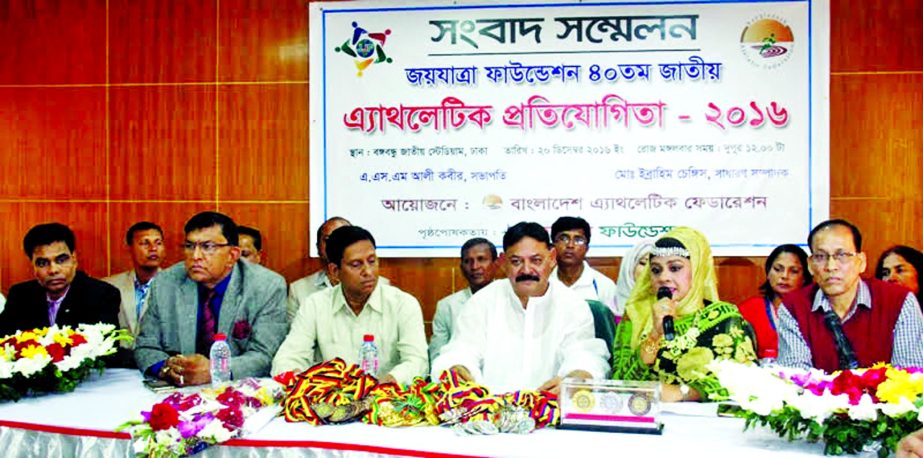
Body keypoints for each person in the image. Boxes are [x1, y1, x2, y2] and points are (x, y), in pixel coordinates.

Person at [431, 222, 609, 394]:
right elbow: (461, 349)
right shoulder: (482, 301)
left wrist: (576, 378)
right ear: (503, 262)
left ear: (552, 258)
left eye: (536, 260)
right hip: (489, 413)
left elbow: (585, 355)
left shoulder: (572, 304)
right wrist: (458, 368)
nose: (527, 270)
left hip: (551, 412)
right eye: (516, 262)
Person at [134, 212, 288, 386]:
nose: (196, 256)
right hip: (178, 389)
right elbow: (145, 345)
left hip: (238, 389)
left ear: (233, 255)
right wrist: (167, 368)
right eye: (190, 246)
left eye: (207, 247)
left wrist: (215, 370)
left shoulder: (266, 286)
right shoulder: (166, 283)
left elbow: (266, 355)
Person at [611, 227, 757, 402]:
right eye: (656, 270)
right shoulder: (636, 315)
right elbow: (618, 385)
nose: (663, 277)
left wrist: (684, 393)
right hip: (645, 417)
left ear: (697, 270)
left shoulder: (724, 318)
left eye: (675, 268)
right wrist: (654, 336)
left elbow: (748, 382)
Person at [272, 226, 428, 384]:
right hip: (328, 401)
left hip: (386, 400)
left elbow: (417, 361)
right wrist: (300, 379)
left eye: (372, 261)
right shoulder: (315, 305)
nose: (368, 271)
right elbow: (287, 358)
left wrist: (389, 381)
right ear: (334, 271)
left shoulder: (402, 304)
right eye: (356, 264)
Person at [777, 219, 923, 371]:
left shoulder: (899, 301)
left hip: (887, 394)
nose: (831, 266)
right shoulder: (793, 307)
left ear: (861, 262)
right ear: (810, 265)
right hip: (815, 395)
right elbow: (796, 378)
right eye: (821, 257)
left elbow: (910, 377)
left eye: (842, 255)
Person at [0, 223, 121, 337]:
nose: (53, 270)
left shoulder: (102, 295)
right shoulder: (20, 295)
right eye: (43, 263)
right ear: (33, 265)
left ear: (74, 259)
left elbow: (107, 349)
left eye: (61, 260)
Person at [287, 217, 390, 320]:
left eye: (344, 239)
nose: (335, 244)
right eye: (328, 239)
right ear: (318, 247)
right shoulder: (298, 290)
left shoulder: (381, 286)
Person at [429, 238, 498, 361]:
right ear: (461, 267)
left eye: (481, 259)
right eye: (468, 261)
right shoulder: (447, 306)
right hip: (461, 376)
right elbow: (437, 356)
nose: (474, 267)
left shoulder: (511, 299)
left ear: (495, 263)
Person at [737, 244, 812, 358]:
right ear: (768, 272)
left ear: (805, 277)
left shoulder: (814, 311)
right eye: (778, 269)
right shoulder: (748, 309)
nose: (784, 276)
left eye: (794, 271)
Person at [103, 221, 166, 346]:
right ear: (129, 248)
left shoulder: (175, 287)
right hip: (119, 362)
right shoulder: (108, 286)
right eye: (145, 243)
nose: (153, 248)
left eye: (158, 243)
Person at [550, 216, 617, 313]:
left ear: (587, 248)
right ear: (553, 246)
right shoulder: (544, 282)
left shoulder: (604, 286)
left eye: (578, 240)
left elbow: (610, 325)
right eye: (563, 238)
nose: (570, 245)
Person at [613, 239, 655, 318]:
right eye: (643, 263)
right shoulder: (611, 304)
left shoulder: (668, 304)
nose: (647, 270)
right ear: (630, 267)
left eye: (654, 266)